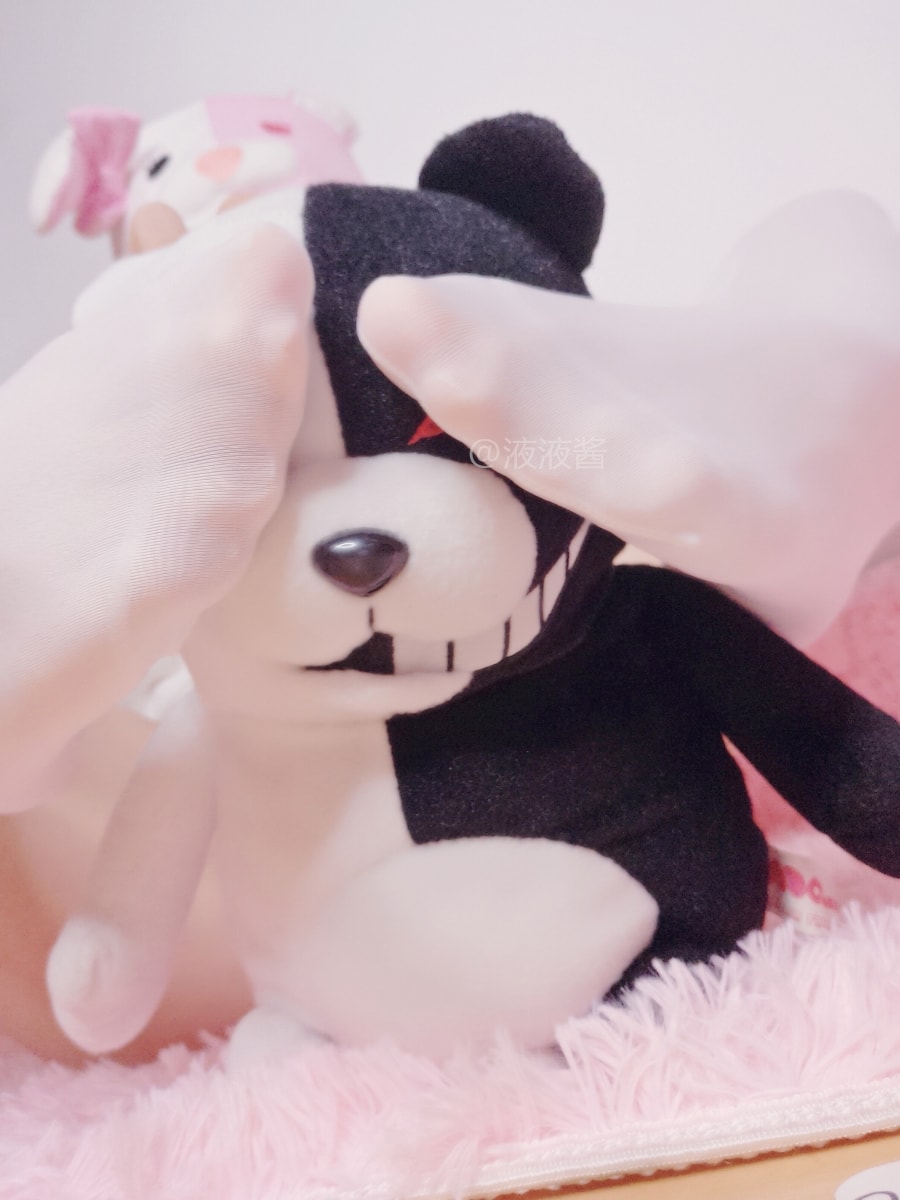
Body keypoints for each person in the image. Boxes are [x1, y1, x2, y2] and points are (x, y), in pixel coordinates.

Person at [0, 189, 897, 1060]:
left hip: (653, 975)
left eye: (443, 439)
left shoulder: (636, 621)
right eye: (267, 480)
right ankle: (312, 1028)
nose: (358, 547)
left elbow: (828, 745)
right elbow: (154, 835)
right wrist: (115, 944)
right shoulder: (219, 710)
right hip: (331, 1025)